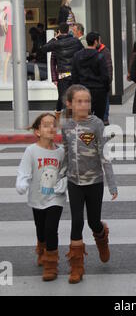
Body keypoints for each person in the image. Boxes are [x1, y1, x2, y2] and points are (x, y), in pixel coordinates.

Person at [60, 84, 118, 284]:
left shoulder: (97, 124)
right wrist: (60, 175)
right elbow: (65, 152)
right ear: (70, 104)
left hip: (94, 182)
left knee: (94, 222)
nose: (84, 105)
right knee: (77, 221)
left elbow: (105, 156)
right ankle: (76, 267)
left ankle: (102, 237)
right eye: (79, 101)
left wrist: (112, 184)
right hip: (74, 182)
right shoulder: (65, 125)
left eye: (87, 101)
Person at [16, 113, 67, 282]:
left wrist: (63, 182)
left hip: (55, 197)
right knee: (41, 228)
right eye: (45, 125)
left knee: (51, 228)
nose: (51, 127)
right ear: (37, 131)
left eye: (53, 124)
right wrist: (22, 183)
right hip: (37, 197)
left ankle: (51, 264)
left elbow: (65, 172)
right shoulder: (31, 151)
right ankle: (42, 248)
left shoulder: (61, 152)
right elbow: (24, 170)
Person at [42, 22, 83, 122]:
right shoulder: (76, 41)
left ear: (59, 32)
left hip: (63, 76)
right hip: (74, 74)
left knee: (63, 98)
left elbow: (44, 48)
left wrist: (54, 38)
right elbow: (82, 53)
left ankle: (66, 118)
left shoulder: (56, 43)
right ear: (68, 30)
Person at [72, 32, 110, 121]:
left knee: (83, 117)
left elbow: (74, 75)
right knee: (98, 118)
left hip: (82, 90)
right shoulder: (100, 56)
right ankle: (96, 134)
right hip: (98, 91)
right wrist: (106, 89)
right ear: (96, 42)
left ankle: (85, 134)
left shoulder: (77, 55)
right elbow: (105, 76)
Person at [96, 33, 113, 126]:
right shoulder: (96, 51)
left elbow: (109, 67)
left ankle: (105, 118)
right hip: (97, 81)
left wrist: (108, 80)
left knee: (105, 100)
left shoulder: (105, 51)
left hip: (103, 81)